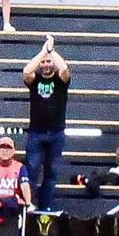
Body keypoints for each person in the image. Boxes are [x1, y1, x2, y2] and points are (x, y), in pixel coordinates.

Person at [23, 37, 71, 210]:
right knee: (32, 171)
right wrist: (44, 51)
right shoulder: (34, 80)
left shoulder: (60, 81)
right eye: (42, 62)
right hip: (36, 133)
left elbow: (64, 68)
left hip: (57, 133)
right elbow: (27, 71)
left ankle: (46, 208)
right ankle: (30, 206)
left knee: (51, 174)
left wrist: (52, 50)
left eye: (48, 62)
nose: (45, 64)